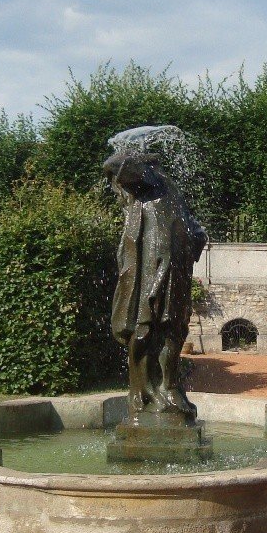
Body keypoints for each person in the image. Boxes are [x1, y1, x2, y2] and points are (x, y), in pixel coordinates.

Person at [103, 127, 207, 422]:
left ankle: (170, 387)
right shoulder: (145, 185)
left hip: (175, 266)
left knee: (174, 328)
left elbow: (185, 219)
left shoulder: (166, 185)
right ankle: (142, 391)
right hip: (145, 269)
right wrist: (130, 146)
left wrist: (197, 234)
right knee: (144, 328)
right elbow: (111, 165)